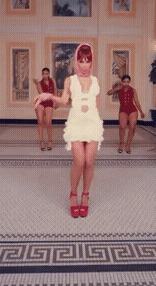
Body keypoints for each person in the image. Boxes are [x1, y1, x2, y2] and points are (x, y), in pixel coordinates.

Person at [35, 44, 103, 218]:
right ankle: (73, 194)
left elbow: (97, 106)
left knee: (89, 161)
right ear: (77, 62)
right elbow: (64, 100)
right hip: (76, 123)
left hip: (93, 124)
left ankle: (85, 196)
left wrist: (98, 124)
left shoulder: (96, 81)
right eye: (81, 61)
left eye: (88, 61)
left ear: (92, 61)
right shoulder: (70, 80)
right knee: (79, 162)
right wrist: (49, 96)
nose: (85, 64)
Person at [107, 74, 144, 154]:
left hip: (132, 110)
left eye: (127, 82)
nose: (126, 83)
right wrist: (116, 88)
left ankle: (128, 145)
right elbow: (108, 93)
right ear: (122, 82)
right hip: (123, 110)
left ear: (129, 82)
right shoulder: (119, 89)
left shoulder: (133, 90)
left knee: (132, 128)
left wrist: (141, 112)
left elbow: (137, 102)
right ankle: (121, 144)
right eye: (124, 82)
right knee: (122, 127)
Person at [32, 67, 57, 151]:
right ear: (42, 74)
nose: (45, 75)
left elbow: (55, 92)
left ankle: (50, 140)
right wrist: (37, 84)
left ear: (48, 74)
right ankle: (41, 142)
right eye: (43, 74)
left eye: (46, 74)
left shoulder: (52, 81)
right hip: (41, 102)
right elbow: (41, 94)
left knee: (49, 122)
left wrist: (55, 101)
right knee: (40, 121)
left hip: (49, 102)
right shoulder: (40, 83)